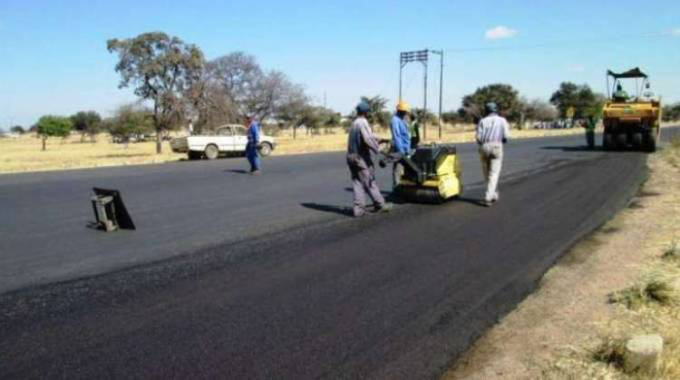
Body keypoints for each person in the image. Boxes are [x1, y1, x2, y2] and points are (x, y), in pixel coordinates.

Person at [347, 101, 392, 217]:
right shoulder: (363, 122)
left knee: (357, 182)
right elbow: (367, 139)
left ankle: (358, 210)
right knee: (369, 180)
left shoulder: (354, 123)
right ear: (366, 112)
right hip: (359, 157)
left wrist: (381, 139)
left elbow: (367, 136)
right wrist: (379, 149)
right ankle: (380, 205)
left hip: (351, 156)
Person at [476, 102, 510, 207]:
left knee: (486, 173)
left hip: (484, 147)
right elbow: (506, 136)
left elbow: (478, 138)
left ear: (486, 110)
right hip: (496, 146)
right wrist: (502, 140)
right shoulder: (502, 120)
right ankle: (488, 197)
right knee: (493, 173)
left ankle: (493, 194)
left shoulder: (482, 121)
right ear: (496, 110)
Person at [389, 101, 411, 189]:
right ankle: (397, 188)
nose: (405, 113)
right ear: (399, 111)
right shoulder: (395, 120)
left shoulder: (402, 120)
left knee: (405, 169)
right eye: (404, 111)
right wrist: (401, 151)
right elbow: (397, 136)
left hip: (405, 148)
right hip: (399, 149)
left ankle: (404, 188)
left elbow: (405, 134)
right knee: (398, 169)